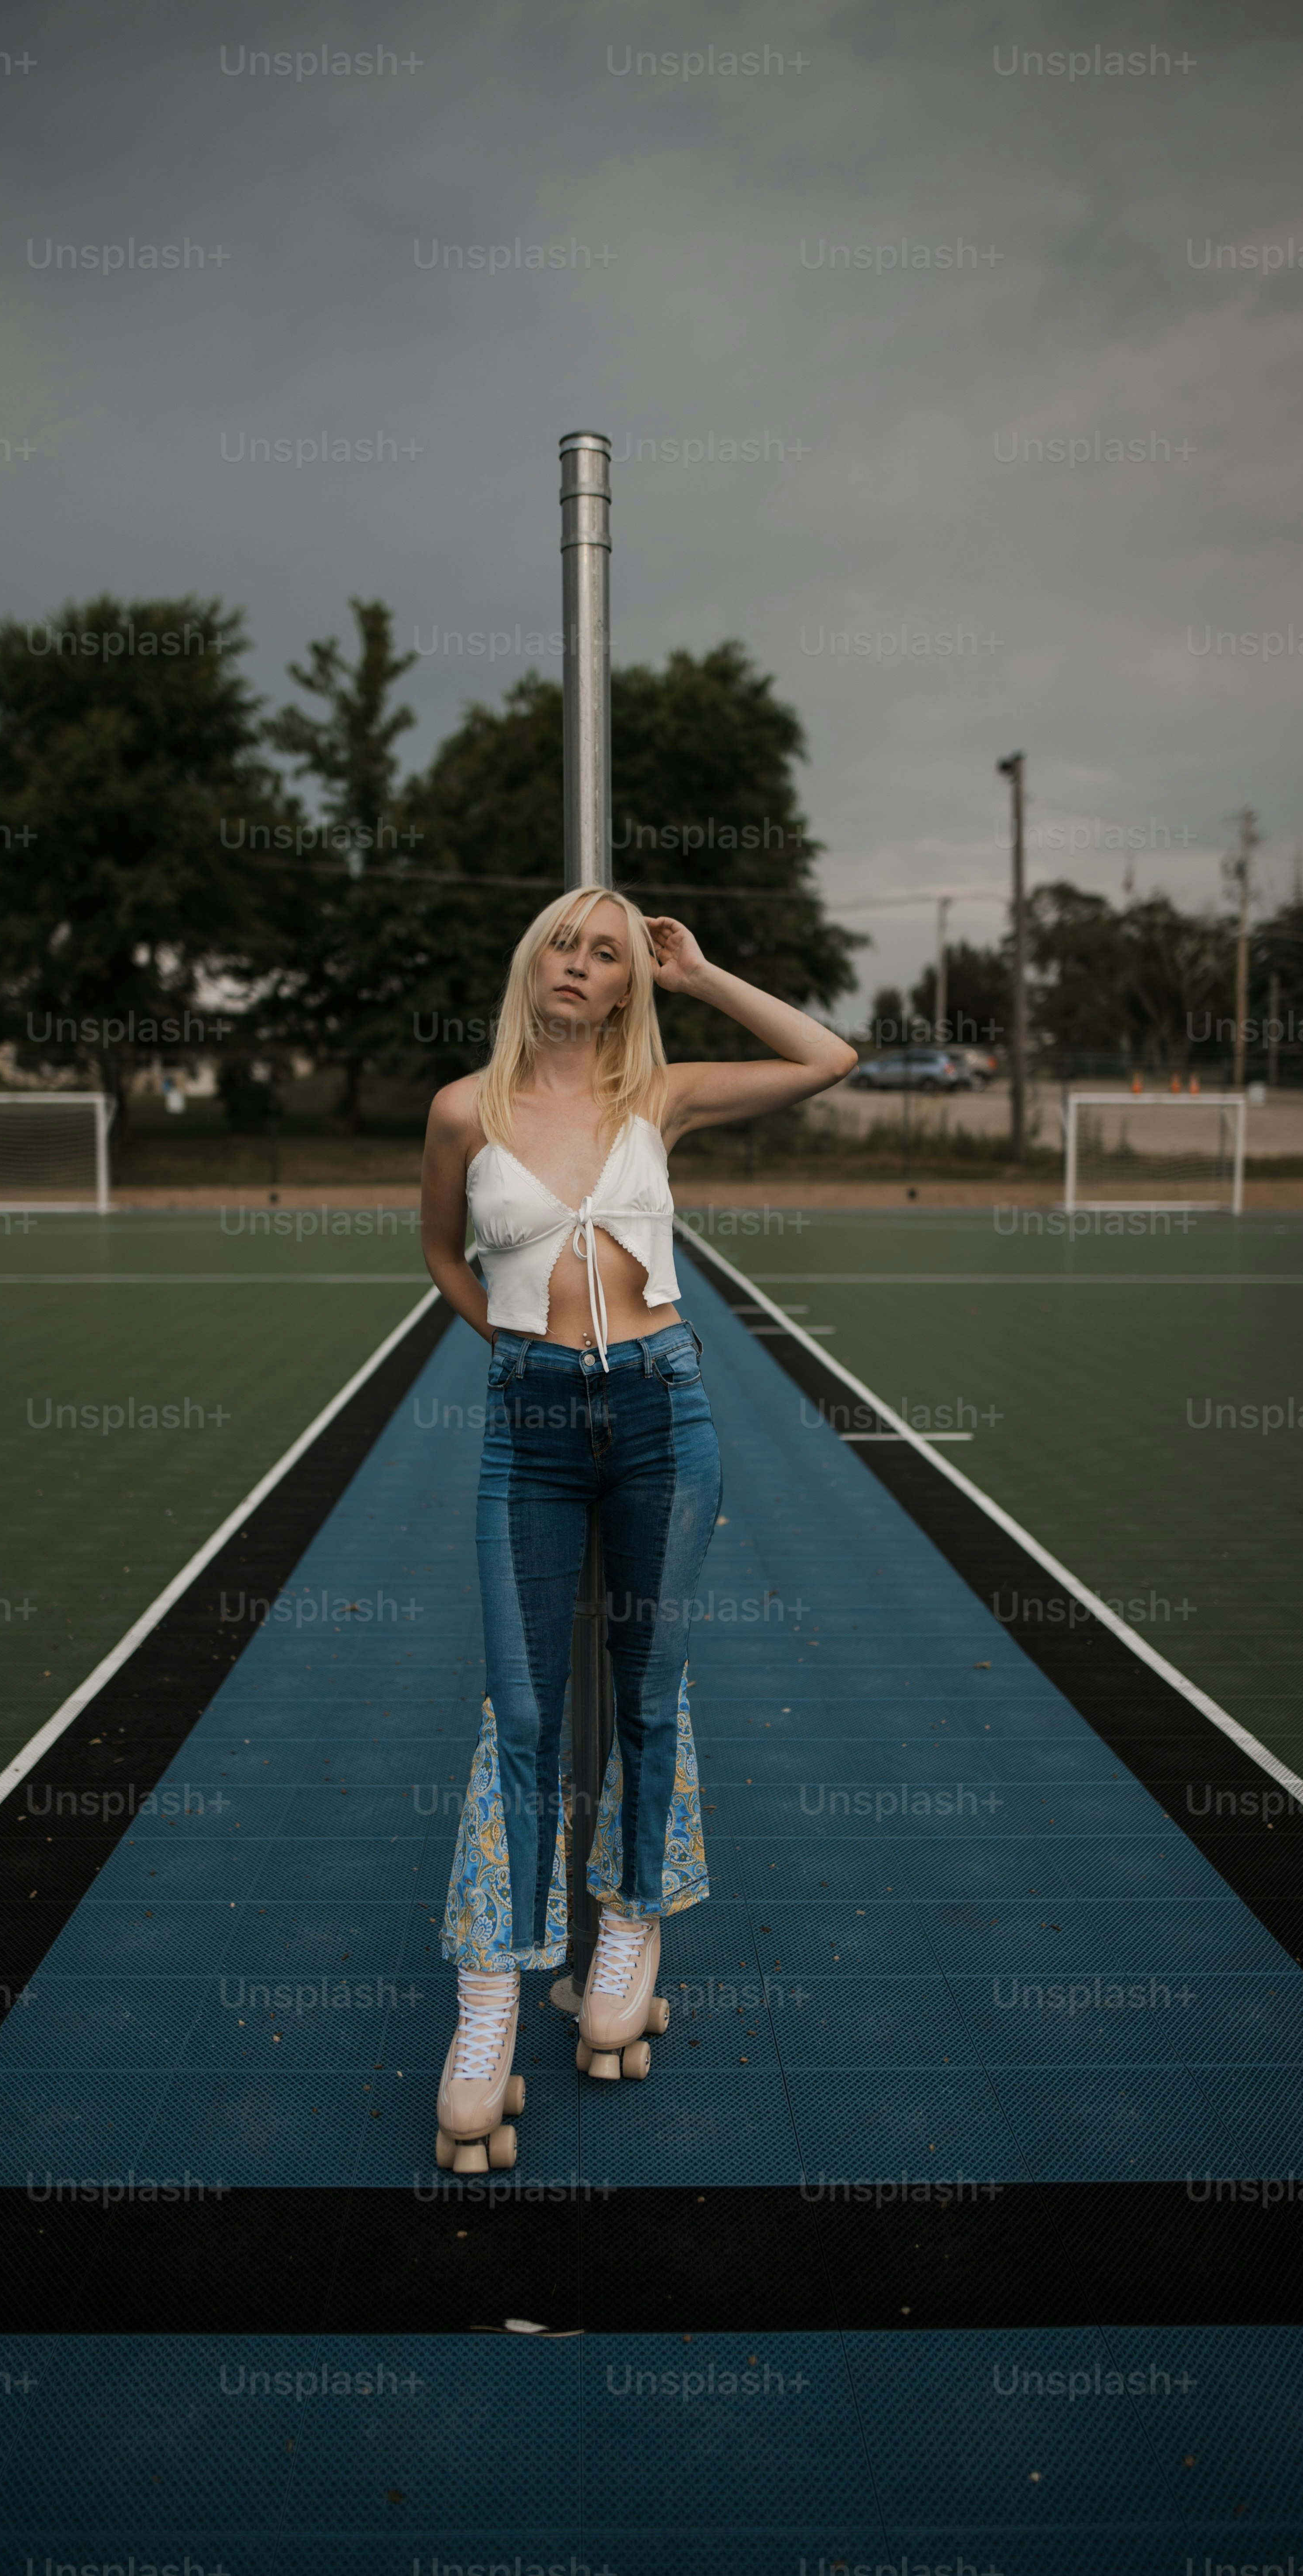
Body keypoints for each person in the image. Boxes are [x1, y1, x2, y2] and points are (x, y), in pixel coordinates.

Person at [418, 886, 856, 2169]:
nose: (579, 962)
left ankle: (630, 1921)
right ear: (532, 964)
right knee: (521, 1709)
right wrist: (513, 1345)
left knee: (650, 1695)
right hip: (527, 1430)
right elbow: (441, 1250)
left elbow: (825, 1059)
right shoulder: (465, 1109)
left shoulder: (654, 1100)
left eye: (606, 954)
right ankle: (491, 1989)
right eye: (564, 941)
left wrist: (702, 973)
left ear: (624, 988)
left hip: (666, 1415)